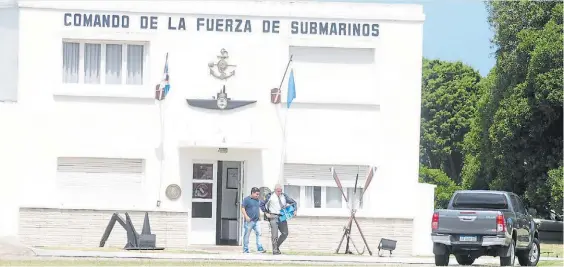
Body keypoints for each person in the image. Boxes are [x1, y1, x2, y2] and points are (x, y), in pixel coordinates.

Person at [260, 184, 297, 255]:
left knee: (285, 233)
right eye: (278, 191)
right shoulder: (269, 196)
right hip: (273, 216)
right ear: (275, 190)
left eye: (280, 191)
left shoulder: (284, 196)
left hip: (282, 216)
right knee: (274, 234)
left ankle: (276, 247)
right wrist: (266, 213)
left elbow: (293, 202)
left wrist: (295, 210)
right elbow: (261, 204)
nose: (279, 192)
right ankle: (275, 251)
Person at [241, 187, 266, 253]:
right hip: (249, 221)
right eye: (256, 194)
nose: (258, 196)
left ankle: (259, 248)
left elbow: (258, 208)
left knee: (259, 233)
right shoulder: (246, 199)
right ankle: (245, 249)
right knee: (247, 235)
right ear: (252, 193)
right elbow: (243, 208)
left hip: (256, 220)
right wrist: (246, 217)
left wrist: (260, 216)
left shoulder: (258, 200)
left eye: (258, 194)